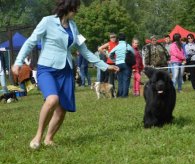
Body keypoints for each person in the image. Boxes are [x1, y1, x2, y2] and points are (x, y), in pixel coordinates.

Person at [12, 0, 119, 149]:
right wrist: (17, 62)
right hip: (47, 68)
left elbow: (85, 51)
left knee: (62, 108)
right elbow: (30, 42)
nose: (77, 11)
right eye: (76, 8)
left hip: (66, 70)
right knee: (52, 99)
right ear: (68, 7)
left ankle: (49, 139)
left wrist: (105, 66)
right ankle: (38, 136)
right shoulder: (47, 21)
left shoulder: (73, 26)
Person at [109, 33, 134, 97]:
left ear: (118, 39)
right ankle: (124, 95)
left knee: (120, 80)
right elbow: (133, 53)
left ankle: (119, 94)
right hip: (126, 64)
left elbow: (110, 54)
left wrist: (115, 60)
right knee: (126, 80)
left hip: (118, 64)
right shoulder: (127, 45)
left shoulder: (117, 46)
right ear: (125, 38)